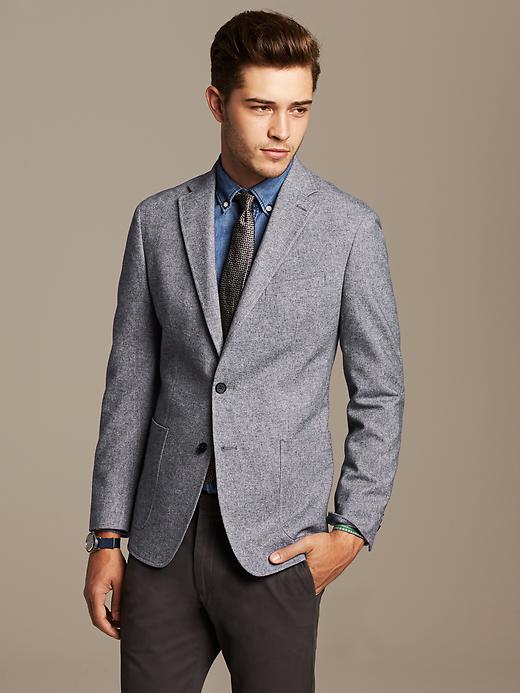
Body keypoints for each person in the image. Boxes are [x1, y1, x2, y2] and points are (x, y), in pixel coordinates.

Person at [83, 9, 405, 692]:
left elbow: (380, 392)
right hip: (163, 539)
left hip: (278, 548)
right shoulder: (157, 222)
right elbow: (129, 387)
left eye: (299, 109)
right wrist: (107, 537)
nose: (282, 130)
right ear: (216, 102)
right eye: (261, 107)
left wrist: (351, 528)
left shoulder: (349, 230)